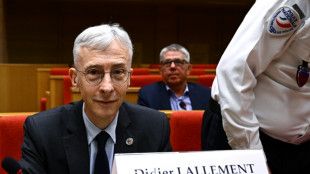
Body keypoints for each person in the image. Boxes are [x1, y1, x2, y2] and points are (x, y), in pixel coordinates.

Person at [18, 24, 172, 174]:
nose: (107, 87)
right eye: (93, 72)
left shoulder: (155, 128)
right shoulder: (42, 131)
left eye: (118, 72)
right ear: (74, 78)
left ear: (129, 77)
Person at [201, 0, 310, 173]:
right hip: (244, 133)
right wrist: (252, 158)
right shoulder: (288, 3)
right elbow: (235, 71)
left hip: (301, 150)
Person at [137, 44, 211, 110]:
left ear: (188, 69)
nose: (172, 66)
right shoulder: (147, 94)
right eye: (167, 62)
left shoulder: (206, 94)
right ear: (160, 70)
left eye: (178, 62)